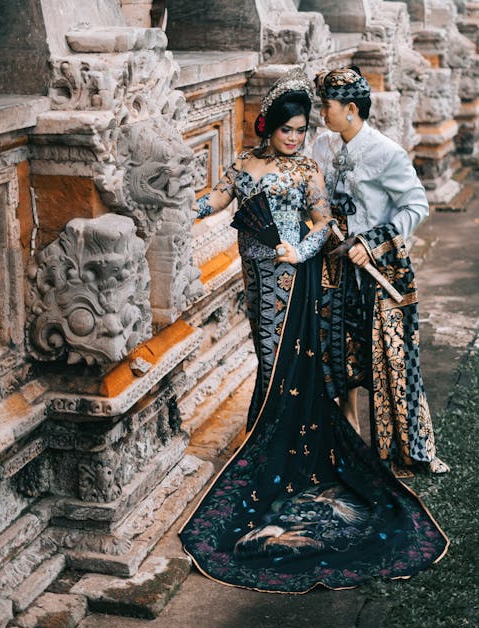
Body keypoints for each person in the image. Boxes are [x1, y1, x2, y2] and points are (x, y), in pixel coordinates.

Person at [179, 69, 448, 593]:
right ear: (272, 127)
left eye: (317, 116)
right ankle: (313, 432)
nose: (306, 130)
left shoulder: (371, 155)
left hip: (361, 273)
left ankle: (393, 450)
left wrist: (347, 244)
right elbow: (224, 197)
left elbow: (378, 210)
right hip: (312, 276)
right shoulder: (304, 149)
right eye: (293, 126)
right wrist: (180, 209)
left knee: (382, 364)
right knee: (329, 362)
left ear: (349, 109)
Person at [312, 67, 449, 476]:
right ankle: (349, 430)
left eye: (328, 106)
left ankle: (401, 447)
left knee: (388, 358)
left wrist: (370, 243)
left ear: (351, 109)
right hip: (334, 270)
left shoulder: (387, 153)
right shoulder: (322, 145)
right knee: (338, 350)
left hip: (379, 272)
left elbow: (416, 206)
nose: (323, 113)